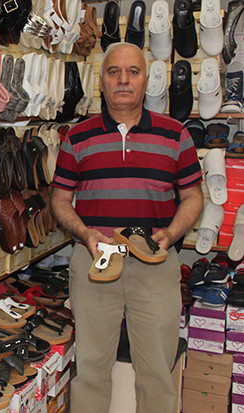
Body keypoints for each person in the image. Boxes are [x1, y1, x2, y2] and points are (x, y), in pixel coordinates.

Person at [50, 42, 203, 412]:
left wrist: (172, 233)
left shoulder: (175, 134)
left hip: (155, 264)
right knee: (90, 368)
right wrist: (84, 233)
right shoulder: (78, 136)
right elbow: (59, 200)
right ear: (101, 81)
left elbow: (193, 197)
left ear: (146, 80)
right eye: (114, 72)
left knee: (157, 371)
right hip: (94, 262)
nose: (123, 80)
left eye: (133, 72)